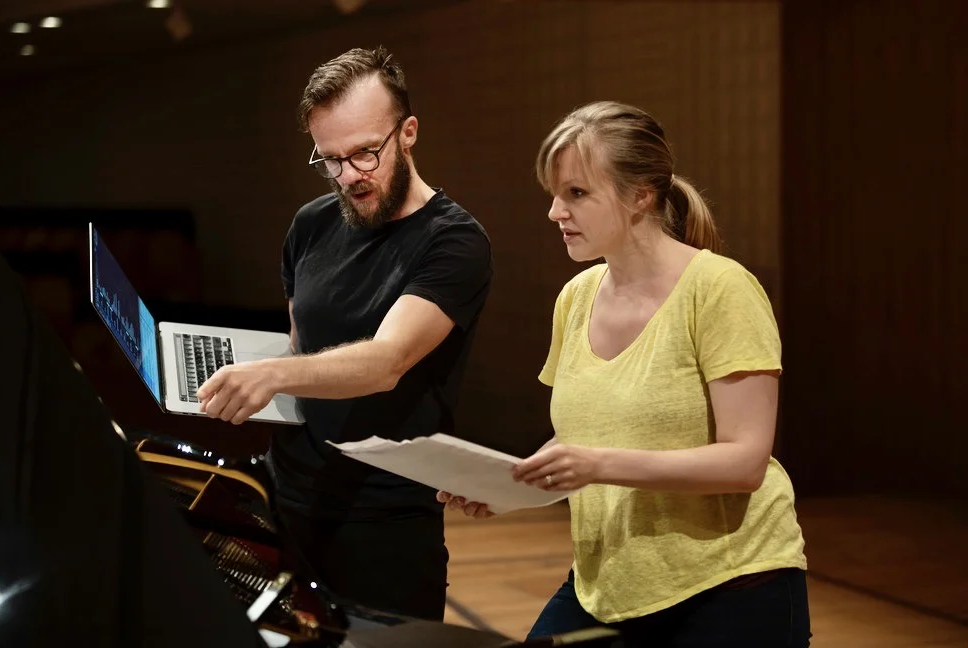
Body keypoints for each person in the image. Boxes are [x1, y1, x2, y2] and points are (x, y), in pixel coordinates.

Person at [439, 101, 810, 646]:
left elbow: (745, 461)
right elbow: (586, 439)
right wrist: (509, 488)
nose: (554, 212)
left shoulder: (721, 289)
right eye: (555, 194)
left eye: (577, 194)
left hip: (731, 584)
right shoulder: (576, 297)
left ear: (641, 196)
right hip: (608, 583)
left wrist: (595, 464)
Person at [196, 46, 493, 622]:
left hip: (384, 518)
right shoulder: (310, 223)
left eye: (364, 153)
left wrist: (271, 372)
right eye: (330, 159)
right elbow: (300, 345)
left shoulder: (454, 242)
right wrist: (229, 378)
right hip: (289, 496)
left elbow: (386, 362)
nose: (349, 176)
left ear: (408, 133)